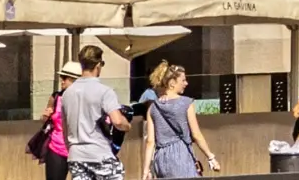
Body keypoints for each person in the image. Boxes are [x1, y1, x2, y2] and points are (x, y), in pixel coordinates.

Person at [57, 46, 128, 180]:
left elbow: (65, 130)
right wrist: (127, 125)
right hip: (100, 154)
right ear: (98, 65)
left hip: (76, 156)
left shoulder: (67, 94)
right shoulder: (104, 91)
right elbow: (118, 121)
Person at [140, 63, 216, 180]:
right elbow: (196, 135)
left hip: (161, 159)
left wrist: (146, 170)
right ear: (172, 83)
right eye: (183, 80)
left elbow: (150, 142)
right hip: (181, 155)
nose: (186, 83)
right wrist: (210, 157)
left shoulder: (153, 108)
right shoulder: (186, 103)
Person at [33, 62, 79, 180]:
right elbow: (45, 120)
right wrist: (45, 116)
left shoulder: (83, 98)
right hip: (57, 148)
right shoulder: (56, 97)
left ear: (75, 80)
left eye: (65, 78)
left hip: (79, 149)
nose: (62, 81)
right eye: (61, 78)